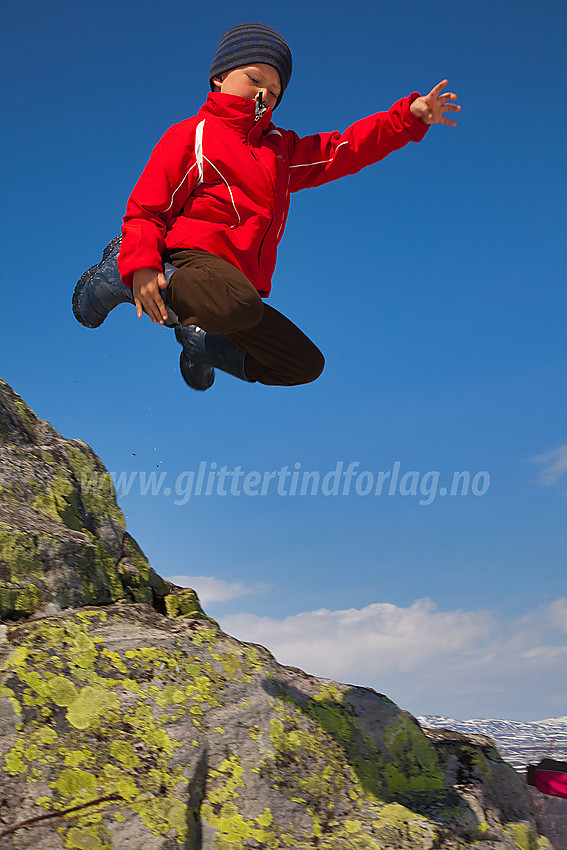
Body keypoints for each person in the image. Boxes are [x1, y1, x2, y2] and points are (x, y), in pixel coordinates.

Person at [73, 23, 460, 391]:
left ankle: (203, 344)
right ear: (219, 78)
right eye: (255, 80)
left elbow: (342, 151)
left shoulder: (281, 152)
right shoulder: (194, 135)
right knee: (238, 302)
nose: (263, 94)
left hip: (234, 295)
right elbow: (146, 208)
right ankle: (118, 271)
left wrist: (407, 120)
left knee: (303, 364)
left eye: (274, 92)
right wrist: (140, 264)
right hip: (190, 258)